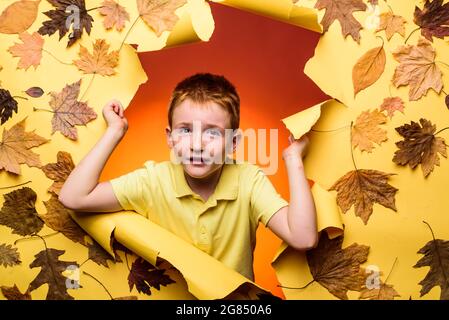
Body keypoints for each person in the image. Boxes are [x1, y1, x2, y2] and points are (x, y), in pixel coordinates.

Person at [59, 72, 317, 282]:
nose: (197, 144)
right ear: (169, 137)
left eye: (213, 133)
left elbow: (303, 237)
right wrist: (115, 131)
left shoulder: (248, 180)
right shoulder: (153, 181)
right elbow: (74, 197)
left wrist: (293, 159)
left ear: (234, 142)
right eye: (185, 130)